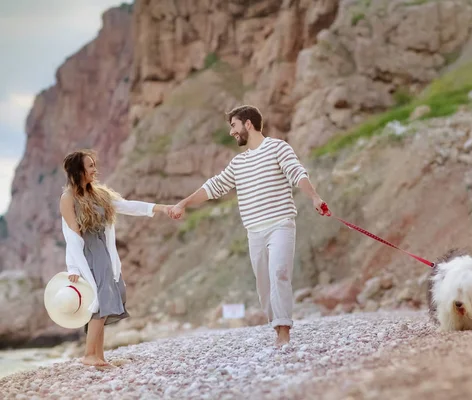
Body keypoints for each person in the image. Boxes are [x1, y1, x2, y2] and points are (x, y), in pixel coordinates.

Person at [168, 105, 328, 347]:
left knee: (279, 273)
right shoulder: (238, 163)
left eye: (233, 125)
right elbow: (214, 186)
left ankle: (283, 333)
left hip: (281, 225)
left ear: (248, 124)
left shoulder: (278, 147)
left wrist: (315, 197)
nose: (232, 132)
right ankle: (277, 325)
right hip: (254, 231)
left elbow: (297, 173)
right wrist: (184, 203)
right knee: (264, 285)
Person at [59, 149, 175, 367]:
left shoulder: (99, 194)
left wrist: (162, 208)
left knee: (108, 298)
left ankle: (99, 356)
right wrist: (73, 267)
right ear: (78, 170)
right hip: (89, 255)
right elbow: (72, 236)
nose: (95, 169)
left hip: (104, 252)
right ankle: (88, 355)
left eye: (94, 164)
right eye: (90, 165)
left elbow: (128, 206)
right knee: (100, 301)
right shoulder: (67, 198)